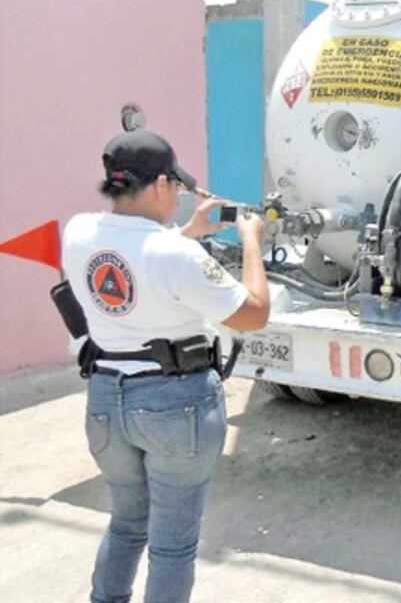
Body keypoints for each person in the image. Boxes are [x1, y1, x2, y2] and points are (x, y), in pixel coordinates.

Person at [62, 127, 270, 602]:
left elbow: (137, 258)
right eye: (175, 186)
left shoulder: (78, 232)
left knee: (126, 523)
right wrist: (251, 241)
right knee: (172, 546)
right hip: (176, 406)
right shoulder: (178, 255)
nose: (177, 196)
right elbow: (254, 314)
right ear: (159, 184)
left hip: (105, 400)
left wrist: (188, 231)